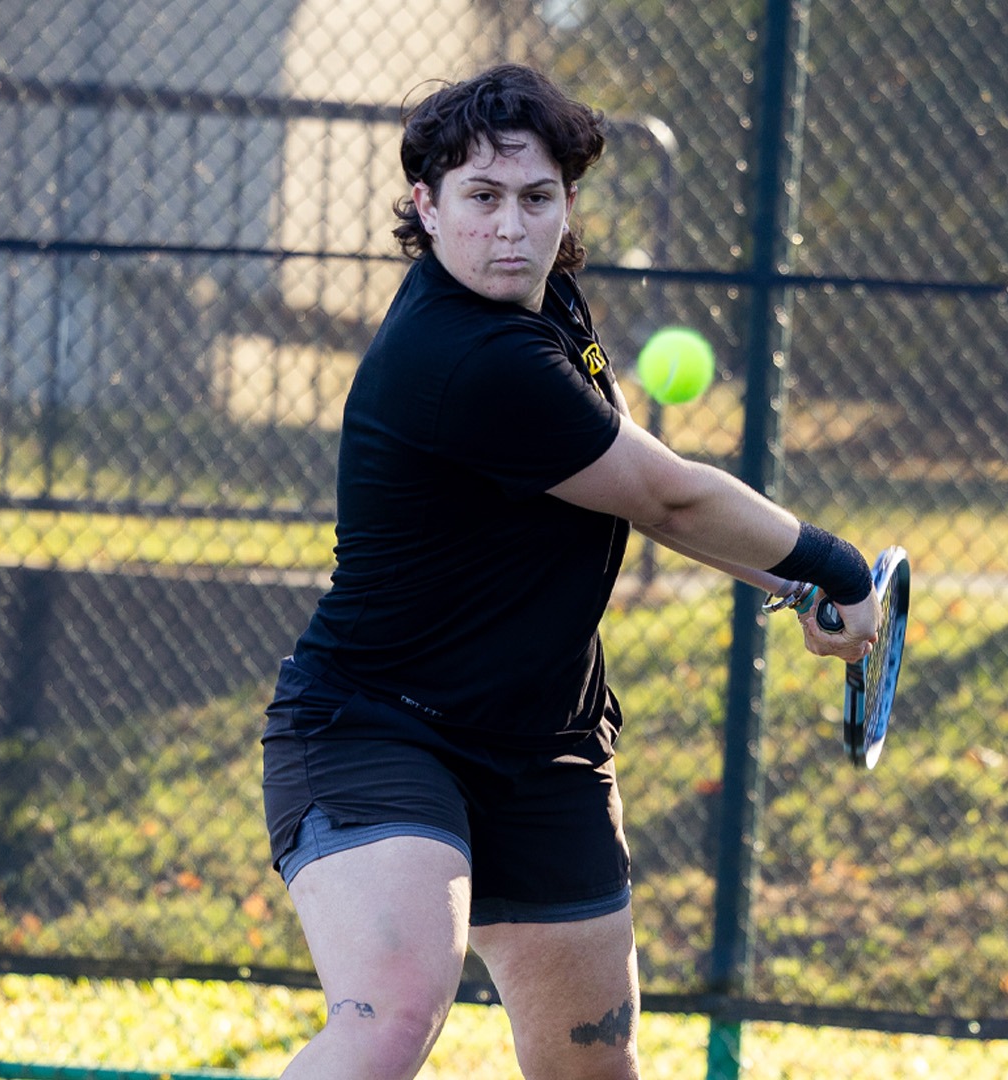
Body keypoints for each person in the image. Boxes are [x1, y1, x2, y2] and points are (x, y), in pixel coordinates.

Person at [260, 63, 879, 1080]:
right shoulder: (468, 355)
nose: (511, 228)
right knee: (391, 1018)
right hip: (378, 728)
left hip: (546, 744)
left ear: (568, 203)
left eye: (537, 198)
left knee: (590, 1064)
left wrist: (791, 587)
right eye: (482, 197)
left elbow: (628, 492)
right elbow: (668, 494)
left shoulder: (545, 303)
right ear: (427, 204)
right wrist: (835, 566)